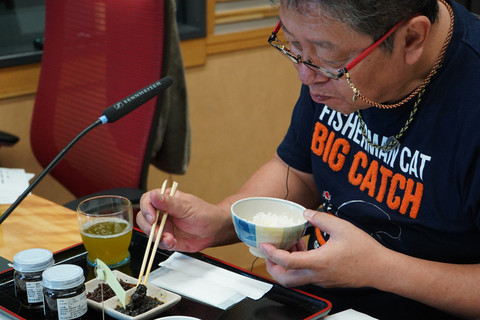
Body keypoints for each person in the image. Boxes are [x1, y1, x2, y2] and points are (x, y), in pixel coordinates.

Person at [137, 1, 480, 319]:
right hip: (318, 302)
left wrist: (379, 268)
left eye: (329, 61)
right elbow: (298, 172)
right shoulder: (325, 62)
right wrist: (220, 219)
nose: (305, 75)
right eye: (295, 47)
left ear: (411, 38)